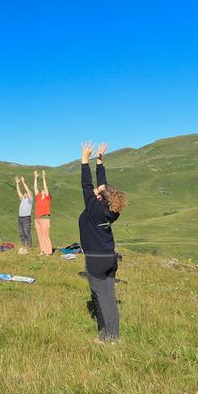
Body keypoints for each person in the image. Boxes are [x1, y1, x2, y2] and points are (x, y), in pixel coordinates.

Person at [79, 142, 129, 343]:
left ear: (99, 196)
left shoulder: (93, 208)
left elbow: (86, 184)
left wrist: (84, 159)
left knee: (101, 299)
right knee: (109, 297)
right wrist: (99, 161)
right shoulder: (111, 210)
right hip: (110, 258)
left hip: (96, 260)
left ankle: (108, 338)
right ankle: (112, 335)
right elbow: (103, 186)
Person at [33, 170, 53, 255]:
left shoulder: (47, 198)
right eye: (42, 191)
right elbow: (35, 188)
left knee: (45, 235)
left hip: (45, 217)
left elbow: (45, 187)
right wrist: (35, 178)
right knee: (40, 235)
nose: (42, 191)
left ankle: (49, 252)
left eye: (44, 191)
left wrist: (44, 177)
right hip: (37, 218)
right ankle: (42, 251)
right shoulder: (38, 197)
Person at [14, 175, 34, 254]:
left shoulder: (30, 200)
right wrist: (17, 183)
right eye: (25, 193)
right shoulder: (22, 199)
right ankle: (24, 245)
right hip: (20, 218)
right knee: (21, 233)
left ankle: (29, 246)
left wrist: (23, 182)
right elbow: (18, 191)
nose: (25, 193)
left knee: (26, 232)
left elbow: (28, 190)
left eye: (26, 193)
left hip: (26, 218)